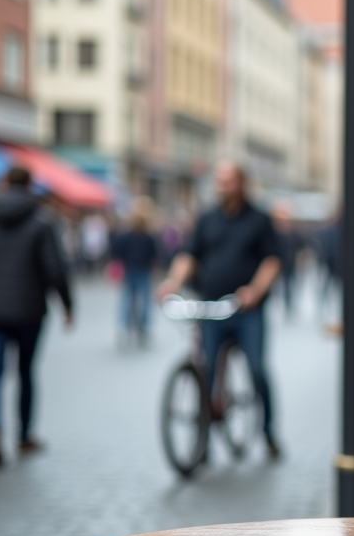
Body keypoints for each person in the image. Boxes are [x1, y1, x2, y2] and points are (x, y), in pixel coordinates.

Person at [157, 161, 282, 457]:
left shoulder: (259, 220)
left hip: (245, 309)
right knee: (207, 370)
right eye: (220, 181)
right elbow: (190, 255)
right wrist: (173, 282)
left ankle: (268, 431)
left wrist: (255, 290)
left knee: (256, 369)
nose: (223, 187)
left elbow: (272, 261)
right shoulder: (207, 219)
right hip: (211, 306)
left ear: (242, 184)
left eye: (229, 181)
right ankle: (203, 439)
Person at [0, 167, 73, 466]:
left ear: (5, 184)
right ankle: (24, 436)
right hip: (29, 310)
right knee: (25, 374)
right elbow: (55, 269)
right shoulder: (41, 221)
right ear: (30, 186)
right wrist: (67, 305)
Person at [111, 197, 159, 346]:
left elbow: (116, 253)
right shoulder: (148, 237)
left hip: (131, 270)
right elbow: (154, 256)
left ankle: (125, 328)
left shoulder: (127, 236)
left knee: (128, 301)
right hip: (141, 271)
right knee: (142, 301)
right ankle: (141, 329)